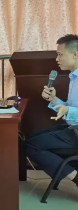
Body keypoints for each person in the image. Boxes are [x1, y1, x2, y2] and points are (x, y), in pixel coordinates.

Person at [27, 34, 78, 186]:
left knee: (32, 145)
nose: (57, 59)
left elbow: (70, 110)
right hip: (72, 127)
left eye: (60, 54)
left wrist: (68, 110)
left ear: (75, 54)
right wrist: (54, 100)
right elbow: (70, 108)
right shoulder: (73, 77)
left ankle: (75, 178)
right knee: (32, 138)